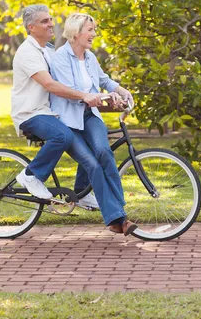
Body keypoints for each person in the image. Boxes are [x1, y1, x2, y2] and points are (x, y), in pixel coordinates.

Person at [50, 13, 137, 236]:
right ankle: (119, 219)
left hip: (89, 116)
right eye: (90, 30)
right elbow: (70, 91)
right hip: (69, 121)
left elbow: (103, 79)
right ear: (76, 32)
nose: (94, 34)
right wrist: (97, 96)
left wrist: (119, 90)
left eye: (94, 30)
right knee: (94, 166)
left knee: (104, 153)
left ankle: (114, 210)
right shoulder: (60, 57)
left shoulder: (89, 57)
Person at [11, 5, 104, 204]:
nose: (51, 24)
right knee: (63, 135)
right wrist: (84, 95)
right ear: (31, 27)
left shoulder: (49, 51)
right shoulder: (28, 52)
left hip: (49, 112)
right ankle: (31, 175)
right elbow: (50, 84)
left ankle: (82, 192)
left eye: (51, 19)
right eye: (44, 21)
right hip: (31, 113)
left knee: (87, 136)